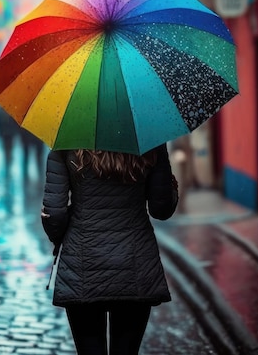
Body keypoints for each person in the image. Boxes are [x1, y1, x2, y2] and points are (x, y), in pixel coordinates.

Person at [41, 145, 178, 354]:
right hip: (135, 265)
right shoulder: (149, 143)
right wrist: (172, 187)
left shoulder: (66, 144)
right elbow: (161, 209)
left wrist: (60, 235)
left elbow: (54, 214)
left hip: (82, 266)